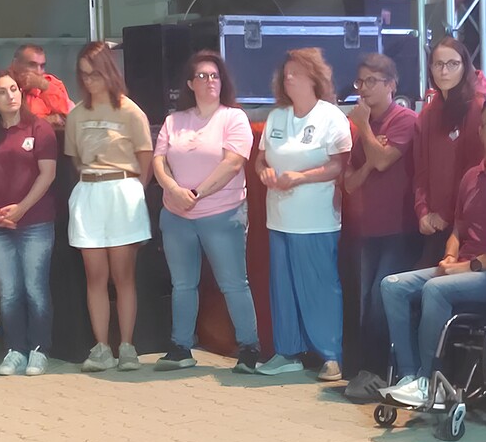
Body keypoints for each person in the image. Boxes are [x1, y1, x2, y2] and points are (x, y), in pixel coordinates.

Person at [379, 97, 486, 407]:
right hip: (465, 268)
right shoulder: (471, 177)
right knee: (392, 286)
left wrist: (471, 266)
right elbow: (458, 230)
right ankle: (410, 376)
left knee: (436, 289)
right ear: (480, 132)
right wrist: (450, 256)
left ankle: (431, 382)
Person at [152, 51, 260, 373]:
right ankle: (180, 347)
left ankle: (249, 349)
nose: (209, 81)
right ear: (190, 84)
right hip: (176, 215)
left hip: (222, 213)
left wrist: (196, 194)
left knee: (233, 283)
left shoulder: (233, 118)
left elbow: (233, 164)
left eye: (214, 76)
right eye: (202, 76)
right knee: (182, 284)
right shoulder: (174, 121)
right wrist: (174, 190)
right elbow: (158, 161)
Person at [254, 48, 352, 381]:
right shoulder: (277, 116)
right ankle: (287, 353)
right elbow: (261, 159)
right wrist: (264, 173)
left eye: (296, 72)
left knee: (320, 288)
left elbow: (338, 165)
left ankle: (331, 356)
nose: (289, 77)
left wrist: (301, 177)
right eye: (286, 73)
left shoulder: (330, 117)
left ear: (314, 77)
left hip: (316, 220)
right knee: (283, 288)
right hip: (279, 218)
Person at [65, 41, 153, 373]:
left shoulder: (131, 111)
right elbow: (75, 160)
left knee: (123, 275)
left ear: (109, 72)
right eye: (84, 75)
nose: (90, 81)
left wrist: (134, 191)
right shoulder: (76, 114)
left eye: (96, 74)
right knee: (95, 276)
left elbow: (146, 159)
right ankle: (101, 347)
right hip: (89, 192)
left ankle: (127, 346)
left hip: (123, 191)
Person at [342, 53, 420, 394]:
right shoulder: (366, 127)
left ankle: (384, 372)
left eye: (371, 81)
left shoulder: (404, 120)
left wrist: (364, 131)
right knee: (366, 302)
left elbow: (384, 161)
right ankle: (368, 371)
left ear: (391, 85)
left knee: (380, 299)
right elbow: (350, 182)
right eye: (360, 82)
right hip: (369, 229)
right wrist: (370, 159)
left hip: (400, 227)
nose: (363, 89)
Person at [0, 71, 58, 376]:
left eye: (14, 89)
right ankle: (14, 349)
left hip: (35, 222)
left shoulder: (39, 128)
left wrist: (21, 209)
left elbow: (47, 174)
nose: (11, 95)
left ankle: (39, 349)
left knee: (35, 288)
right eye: (2, 92)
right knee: (9, 291)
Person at [413, 37, 486, 265]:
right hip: (432, 222)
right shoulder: (428, 113)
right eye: (438, 64)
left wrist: (446, 214)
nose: (444, 71)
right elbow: (420, 170)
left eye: (452, 64)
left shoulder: (477, 109)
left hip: (466, 223)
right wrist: (422, 210)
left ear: (465, 66)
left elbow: (475, 171)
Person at [9, 44, 74, 128]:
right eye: (32, 65)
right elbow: (2, 120)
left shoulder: (53, 83)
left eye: (42, 66)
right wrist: (44, 120)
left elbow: (70, 116)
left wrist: (44, 85)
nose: (38, 72)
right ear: (15, 64)